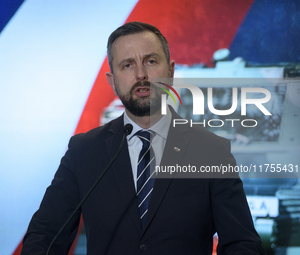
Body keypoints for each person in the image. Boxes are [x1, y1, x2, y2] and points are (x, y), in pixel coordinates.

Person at [21, 22, 265, 255]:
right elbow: (45, 236)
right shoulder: (83, 151)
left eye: (150, 61)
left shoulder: (212, 151)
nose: (140, 75)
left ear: (170, 71)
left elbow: (242, 243)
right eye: (127, 65)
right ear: (112, 81)